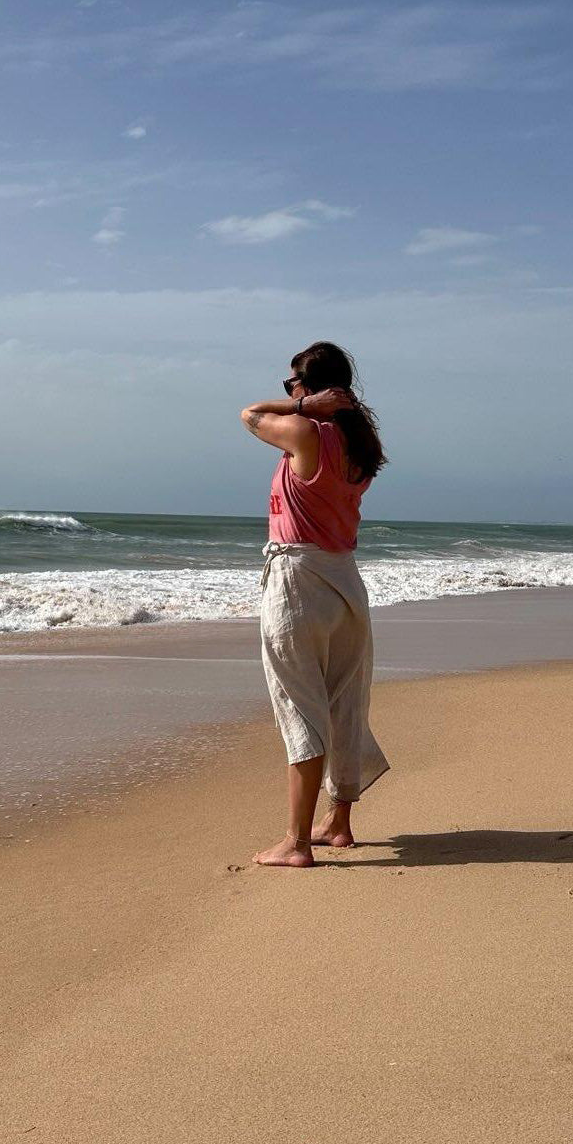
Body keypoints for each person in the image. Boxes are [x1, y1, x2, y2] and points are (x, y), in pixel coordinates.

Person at [240, 341, 390, 867]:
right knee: (345, 701)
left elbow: (248, 416)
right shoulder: (360, 443)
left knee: (300, 704)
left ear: (312, 388)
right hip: (345, 580)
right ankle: (339, 824)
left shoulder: (306, 432)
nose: (288, 394)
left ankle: (297, 842)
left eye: (291, 385)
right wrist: (325, 405)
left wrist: (304, 407)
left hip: (299, 580)